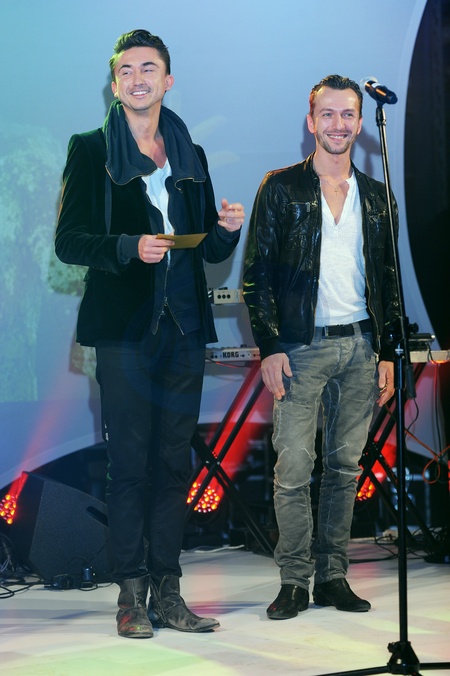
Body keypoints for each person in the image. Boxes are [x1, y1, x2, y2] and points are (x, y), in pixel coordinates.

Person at [55, 29, 244, 638]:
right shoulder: (90, 149)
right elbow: (69, 241)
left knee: (173, 465)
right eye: (127, 71)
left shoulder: (191, 151)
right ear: (115, 85)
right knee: (130, 466)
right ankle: (130, 596)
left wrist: (226, 231)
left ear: (168, 80)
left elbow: (206, 249)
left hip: (184, 328)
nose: (138, 79)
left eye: (149, 68)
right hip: (123, 333)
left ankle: (169, 591)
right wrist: (126, 246)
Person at [243, 74, 399, 619]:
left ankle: (333, 576)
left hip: (359, 344)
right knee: (293, 470)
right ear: (311, 122)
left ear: (360, 123)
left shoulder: (377, 196)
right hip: (299, 347)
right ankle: (294, 581)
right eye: (327, 114)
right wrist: (269, 345)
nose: (338, 124)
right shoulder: (280, 187)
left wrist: (388, 352)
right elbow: (256, 274)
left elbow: (388, 280)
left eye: (348, 114)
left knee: (345, 469)